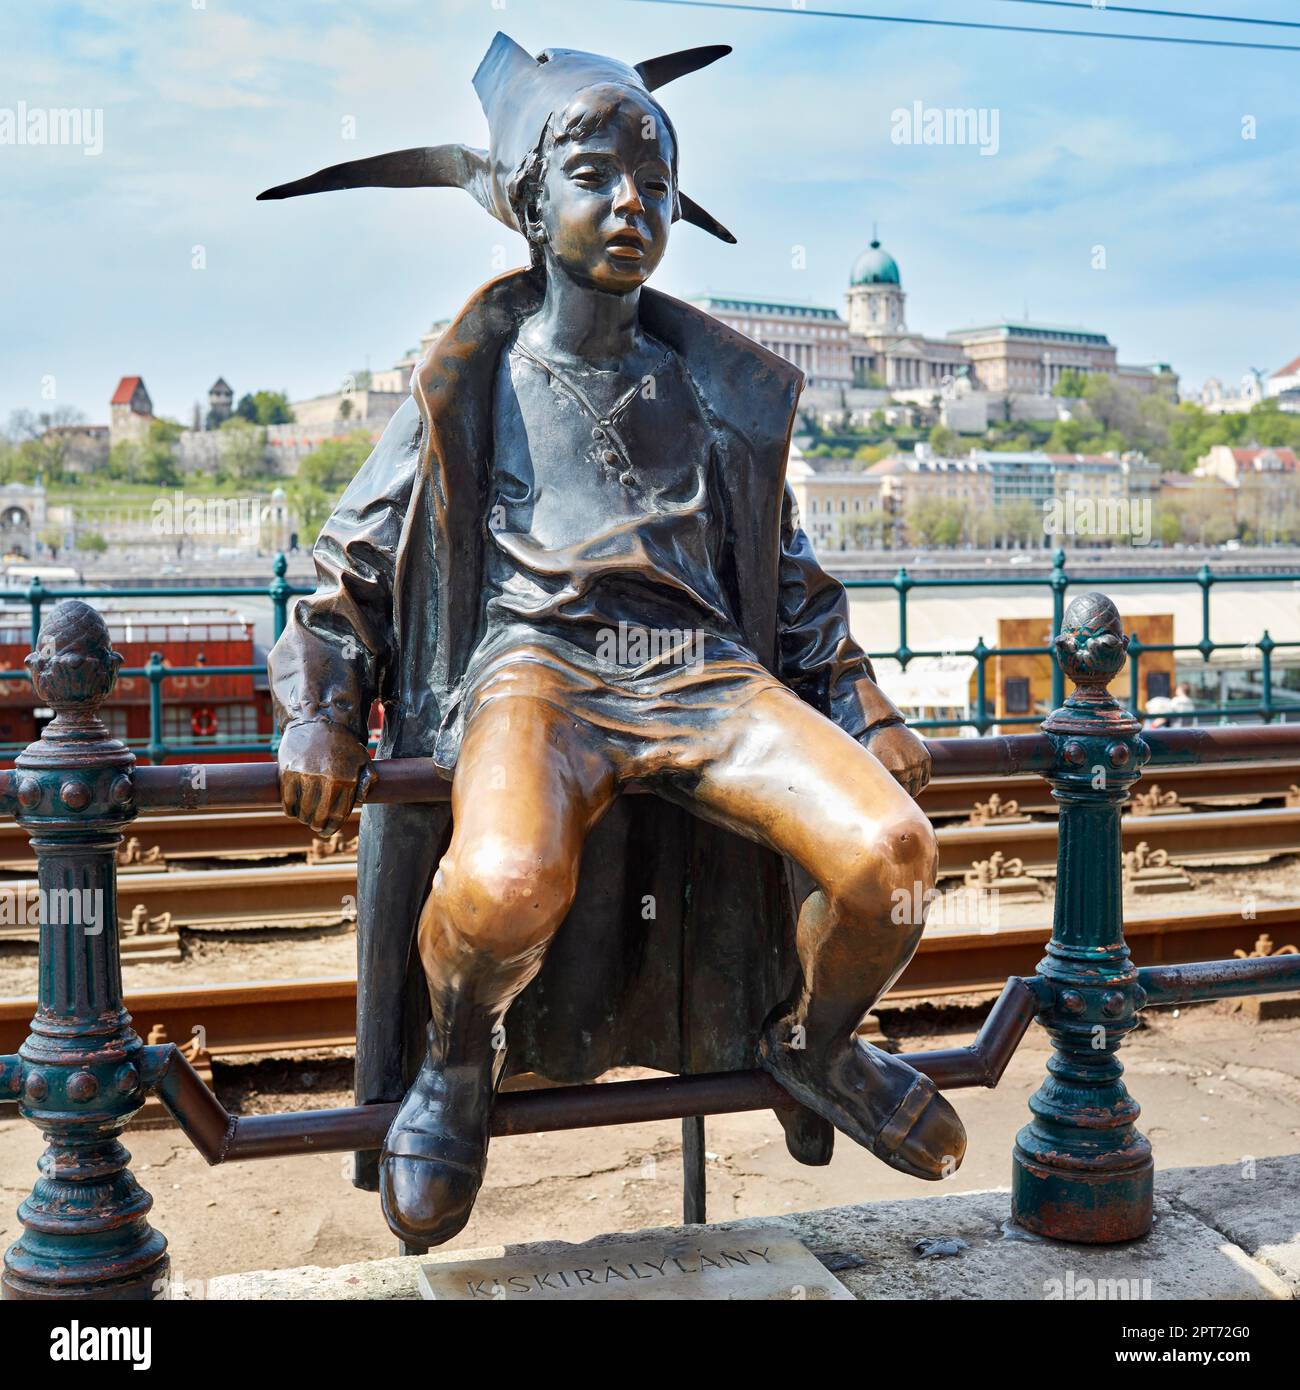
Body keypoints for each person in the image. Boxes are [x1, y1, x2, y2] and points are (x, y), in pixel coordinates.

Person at [262, 33, 965, 1247]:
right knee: (497, 885)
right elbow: (348, 568)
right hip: (535, 672)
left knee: (892, 857)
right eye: (594, 175)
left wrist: (863, 706)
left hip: (708, 680)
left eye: (654, 181)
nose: (631, 202)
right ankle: (456, 1060)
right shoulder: (469, 378)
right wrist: (322, 706)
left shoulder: (709, 389)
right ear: (532, 205)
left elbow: (790, 581)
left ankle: (818, 1043)